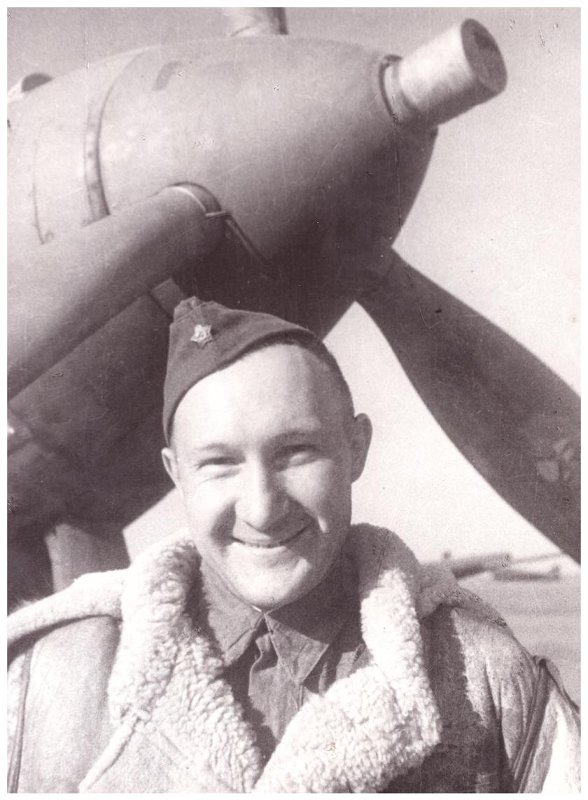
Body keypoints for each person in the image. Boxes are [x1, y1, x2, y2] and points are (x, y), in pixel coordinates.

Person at [7, 297, 580, 793]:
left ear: (357, 448)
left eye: (296, 452)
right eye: (219, 463)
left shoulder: (488, 678)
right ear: (175, 473)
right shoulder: (47, 675)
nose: (261, 509)